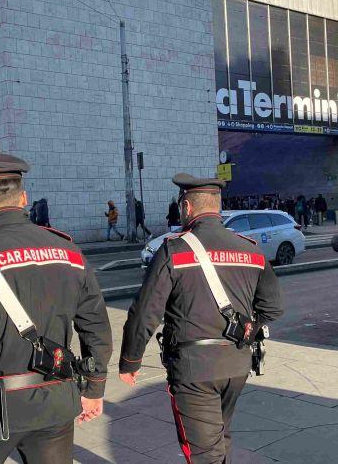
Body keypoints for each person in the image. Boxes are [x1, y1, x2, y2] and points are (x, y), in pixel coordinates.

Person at [0, 153, 112, 463]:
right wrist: (94, 388)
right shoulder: (67, 249)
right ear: (24, 198)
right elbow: (96, 325)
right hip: (57, 398)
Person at [119, 173, 284, 464]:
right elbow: (272, 308)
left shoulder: (174, 249)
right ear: (218, 207)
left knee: (203, 451)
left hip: (194, 368)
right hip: (237, 364)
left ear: (186, 207)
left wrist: (130, 361)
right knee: (220, 437)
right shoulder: (250, 249)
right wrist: (248, 326)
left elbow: (146, 310)